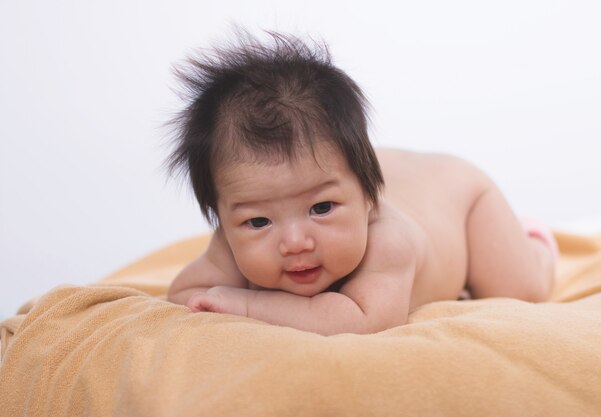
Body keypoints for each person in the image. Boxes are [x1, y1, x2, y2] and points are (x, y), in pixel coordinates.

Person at [166, 31, 558, 335]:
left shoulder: (387, 243)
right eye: (259, 222)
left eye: (321, 209)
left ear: (369, 198)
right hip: (384, 175)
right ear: (221, 217)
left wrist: (245, 304)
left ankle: (535, 243)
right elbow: (188, 295)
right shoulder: (236, 242)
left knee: (520, 289)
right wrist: (215, 295)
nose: (295, 242)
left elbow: (361, 321)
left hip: (459, 199)